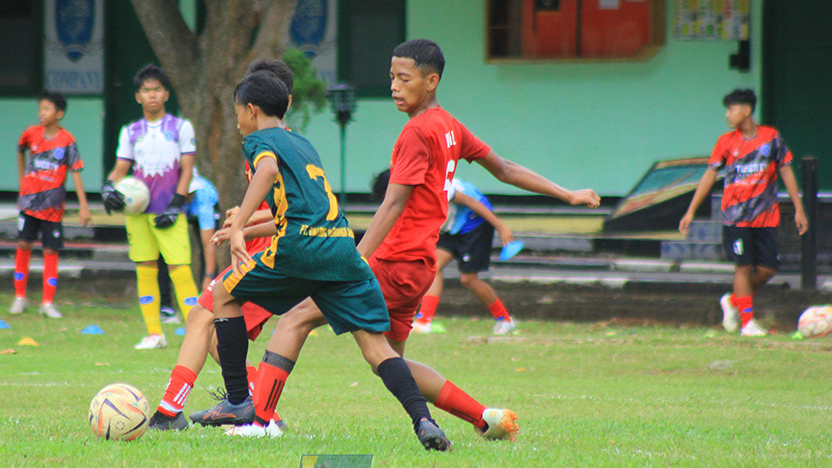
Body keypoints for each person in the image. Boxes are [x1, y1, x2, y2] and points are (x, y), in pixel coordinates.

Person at [239, 39, 601, 443]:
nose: (395, 86)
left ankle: (260, 421)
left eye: (404, 78)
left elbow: (393, 203)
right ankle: (484, 418)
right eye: (392, 77)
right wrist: (567, 193)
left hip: (391, 260)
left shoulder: (416, 132)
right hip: (420, 267)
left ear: (431, 82)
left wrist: (355, 259)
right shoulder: (449, 126)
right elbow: (505, 168)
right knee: (389, 361)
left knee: (296, 318)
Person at [208, 70, 451, 450]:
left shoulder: (258, 141)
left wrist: (239, 225)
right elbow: (301, 210)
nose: (237, 121)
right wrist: (248, 231)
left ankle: (238, 400)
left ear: (251, 110)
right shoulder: (302, 143)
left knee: (223, 294)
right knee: (376, 348)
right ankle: (424, 421)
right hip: (341, 250)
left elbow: (267, 171)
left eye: (237, 112)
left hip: (299, 250)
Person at [148, 58, 294, 432]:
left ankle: (170, 412)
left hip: (272, 254)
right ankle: (259, 412)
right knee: (217, 337)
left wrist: (245, 222)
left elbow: (293, 208)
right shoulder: (270, 143)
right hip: (261, 249)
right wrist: (245, 216)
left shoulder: (275, 145)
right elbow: (279, 202)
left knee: (203, 315)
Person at [679, 88, 807, 336]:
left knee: (768, 269)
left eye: (731, 109)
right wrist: (691, 211)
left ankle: (733, 301)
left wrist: (799, 208)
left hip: (766, 215)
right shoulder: (725, 142)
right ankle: (747, 323)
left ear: (746, 110)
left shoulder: (771, 138)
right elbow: (709, 175)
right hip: (735, 217)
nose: (727, 115)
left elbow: (786, 170)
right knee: (743, 266)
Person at [101, 64, 198, 350]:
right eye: (146, 90)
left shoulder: (181, 127)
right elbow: (120, 169)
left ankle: (198, 333)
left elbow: (187, 169)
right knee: (145, 268)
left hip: (170, 211)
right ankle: (155, 334)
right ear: (138, 96)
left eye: (157, 89)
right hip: (138, 213)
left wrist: (176, 204)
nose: (152, 95)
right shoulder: (130, 131)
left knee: (180, 269)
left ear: (166, 94)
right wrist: (108, 187)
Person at [9, 91, 91, 318]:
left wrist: (84, 206)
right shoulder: (31, 134)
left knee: (50, 250)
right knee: (23, 244)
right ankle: (19, 297)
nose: (41, 113)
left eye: (46, 109)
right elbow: (20, 150)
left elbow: (76, 172)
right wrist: (22, 181)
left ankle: (47, 302)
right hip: (28, 203)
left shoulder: (67, 141)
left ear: (59, 113)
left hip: (52, 207)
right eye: (40, 109)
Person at [406, 175, 518, 336]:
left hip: (475, 225)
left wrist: (501, 227)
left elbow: (471, 202)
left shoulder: (438, 188)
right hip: (453, 226)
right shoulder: (408, 193)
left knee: (468, 279)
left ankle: (505, 320)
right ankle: (424, 321)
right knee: (433, 267)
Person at [156, 168, 222, 322]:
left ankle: (210, 303)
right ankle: (166, 307)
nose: (187, 195)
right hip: (176, 208)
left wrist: (208, 277)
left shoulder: (203, 196)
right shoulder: (166, 193)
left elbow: (209, 243)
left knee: (206, 252)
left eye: (189, 192)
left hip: (203, 208)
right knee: (163, 253)